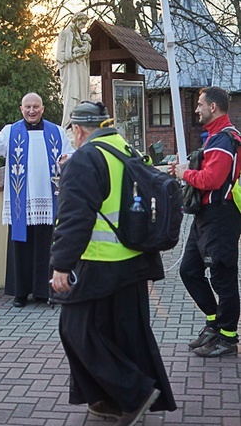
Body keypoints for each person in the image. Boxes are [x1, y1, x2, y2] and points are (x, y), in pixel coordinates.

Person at [49, 101, 176, 426]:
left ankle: (132, 393)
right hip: (135, 260)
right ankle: (110, 399)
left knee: (76, 331)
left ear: (78, 130)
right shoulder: (125, 148)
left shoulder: (84, 159)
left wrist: (62, 265)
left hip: (99, 263)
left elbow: (74, 218)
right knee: (127, 333)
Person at [0, 93, 74, 307]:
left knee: (48, 245)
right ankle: (20, 293)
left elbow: (72, 154)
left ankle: (45, 292)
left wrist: (67, 160)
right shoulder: (11, 131)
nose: (31, 110)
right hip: (21, 201)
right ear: (21, 109)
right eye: (27, 107)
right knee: (21, 246)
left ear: (42, 108)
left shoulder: (57, 131)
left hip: (49, 198)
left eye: (35, 106)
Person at [172, 86, 241, 357]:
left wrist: (186, 174)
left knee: (223, 277)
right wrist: (186, 169)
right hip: (205, 217)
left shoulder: (225, 139)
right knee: (189, 270)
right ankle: (214, 322)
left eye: (200, 104)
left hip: (220, 217)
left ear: (214, 107)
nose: (196, 108)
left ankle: (228, 337)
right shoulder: (214, 137)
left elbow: (212, 180)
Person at [56, 12, 92, 129]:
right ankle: (69, 125)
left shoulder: (81, 36)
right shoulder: (65, 33)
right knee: (71, 97)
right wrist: (73, 55)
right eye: (82, 23)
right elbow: (60, 56)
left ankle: (82, 123)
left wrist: (84, 51)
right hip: (71, 70)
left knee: (82, 96)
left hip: (81, 68)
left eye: (85, 24)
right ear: (76, 21)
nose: (83, 26)